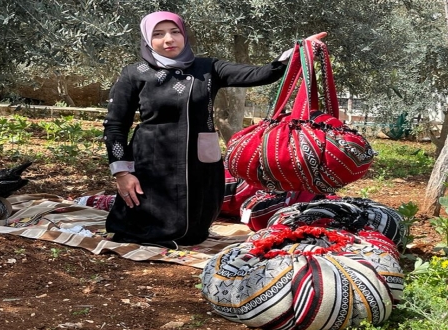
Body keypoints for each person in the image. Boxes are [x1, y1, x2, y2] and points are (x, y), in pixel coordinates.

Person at [103, 10, 326, 249]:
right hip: (153, 159)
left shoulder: (208, 68)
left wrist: (298, 52)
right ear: (147, 39)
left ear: (184, 35)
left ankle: (188, 234)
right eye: (158, 34)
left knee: (194, 225)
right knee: (147, 221)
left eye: (175, 32)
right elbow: (116, 125)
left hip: (199, 160)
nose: (168, 39)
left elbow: (260, 74)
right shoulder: (135, 73)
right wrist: (122, 173)